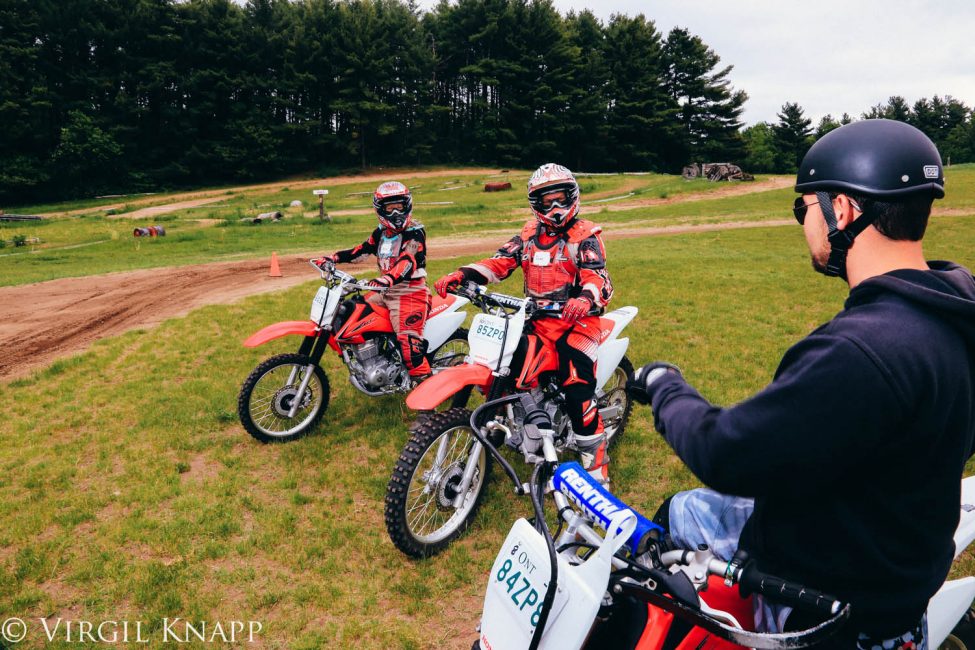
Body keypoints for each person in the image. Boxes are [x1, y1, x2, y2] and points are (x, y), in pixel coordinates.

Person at [627, 119, 975, 646]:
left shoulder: (860, 350)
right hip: (892, 566)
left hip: (828, 605)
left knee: (670, 528)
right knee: (684, 509)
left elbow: (727, 452)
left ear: (844, 210)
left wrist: (663, 384)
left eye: (804, 207)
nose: (804, 222)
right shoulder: (955, 311)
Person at [435, 163, 615, 483]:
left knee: (576, 386)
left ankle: (595, 463)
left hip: (578, 322)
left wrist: (585, 299)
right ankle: (522, 422)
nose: (556, 207)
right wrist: (463, 273)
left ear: (573, 197)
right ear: (536, 204)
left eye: (561, 198)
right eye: (547, 201)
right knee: (506, 367)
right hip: (536, 319)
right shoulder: (529, 234)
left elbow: (596, 278)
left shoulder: (585, 236)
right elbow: (500, 261)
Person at [315, 181, 432, 379]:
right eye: (389, 208)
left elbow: (407, 261)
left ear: (408, 205)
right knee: (352, 312)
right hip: (385, 292)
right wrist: (333, 258)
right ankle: (374, 360)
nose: (395, 213)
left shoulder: (414, 232)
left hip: (409, 293)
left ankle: (426, 394)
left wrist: (387, 278)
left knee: (409, 346)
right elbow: (360, 250)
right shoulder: (382, 233)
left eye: (399, 207)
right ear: (380, 210)